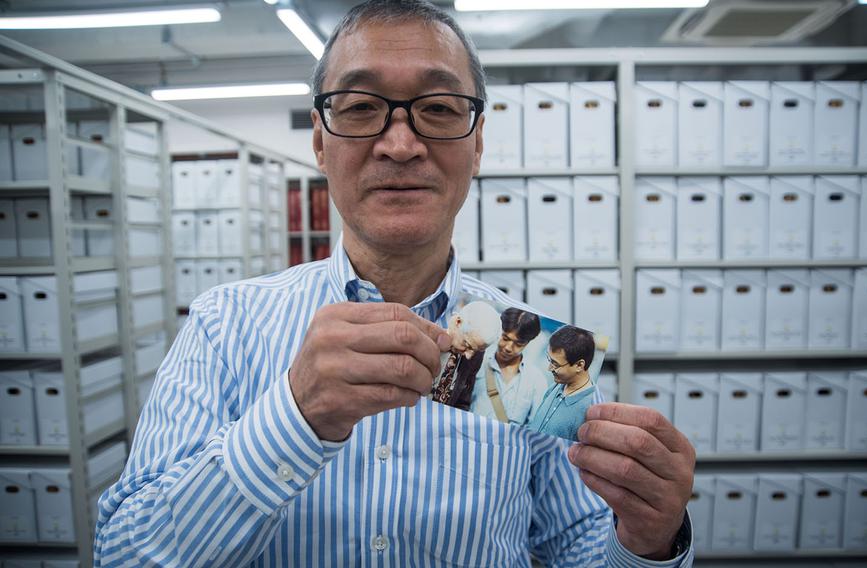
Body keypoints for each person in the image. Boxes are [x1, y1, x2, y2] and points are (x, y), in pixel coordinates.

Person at [94, 1, 696, 565]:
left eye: (437, 108)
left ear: (477, 142)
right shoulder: (224, 325)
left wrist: (647, 540)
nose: (401, 144)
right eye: (360, 107)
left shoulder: (534, 351)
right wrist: (291, 420)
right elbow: (123, 552)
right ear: (319, 142)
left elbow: (581, 542)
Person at [471, 307, 549, 426]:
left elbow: (534, 426)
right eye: (505, 338)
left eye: (518, 344)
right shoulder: (477, 362)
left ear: (527, 343)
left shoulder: (536, 381)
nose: (508, 348)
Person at [528, 325, 598, 440]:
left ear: (579, 365)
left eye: (555, 364)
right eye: (549, 359)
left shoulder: (588, 410)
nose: (549, 368)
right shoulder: (556, 387)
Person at [430, 299, 499, 410]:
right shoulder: (427, 331)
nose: (469, 356)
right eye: (467, 344)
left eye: (476, 350)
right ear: (458, 322)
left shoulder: (476, 356)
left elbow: (463, 402)